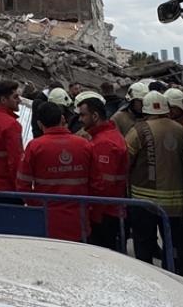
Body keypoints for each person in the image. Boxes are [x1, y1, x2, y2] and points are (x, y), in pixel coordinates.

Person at [126, 90, 183, 277]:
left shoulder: (138, 131)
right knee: (173, 244)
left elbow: (125, 160)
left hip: (143, 201)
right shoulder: (181, 130)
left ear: (145, 109)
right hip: (176, 202)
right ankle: (173, 275)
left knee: (144, 244)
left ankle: (147, 277)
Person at [16, 101, 93, 242]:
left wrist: (37, 205)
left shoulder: (35, 147)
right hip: (78, 220)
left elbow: (22, 186)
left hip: (46, 219)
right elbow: (95, 180)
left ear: (39, 124)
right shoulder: (84, 145)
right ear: (62, 119)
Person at [78, 94, 129, 251]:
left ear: (95, 116)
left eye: (83, 115)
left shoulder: (104, 143)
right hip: (110, 209)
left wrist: (94, 214)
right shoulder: (108, 136)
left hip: (104, 213)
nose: (80, 119)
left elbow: (102, 185)